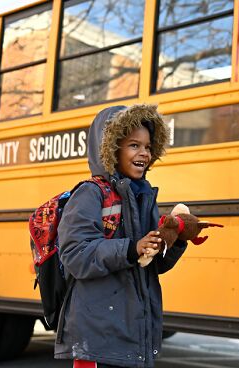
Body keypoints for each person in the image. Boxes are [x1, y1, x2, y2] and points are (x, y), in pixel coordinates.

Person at [54, 104, 188, 367]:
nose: (144, 153)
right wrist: (130, 248)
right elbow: (75, 254)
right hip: (96, 341)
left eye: (148, 147)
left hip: (134, 336)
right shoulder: (90, 194)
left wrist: (176, 240)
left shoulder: (144, 196)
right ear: (111, 149)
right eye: (134, 145)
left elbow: (152, 265)